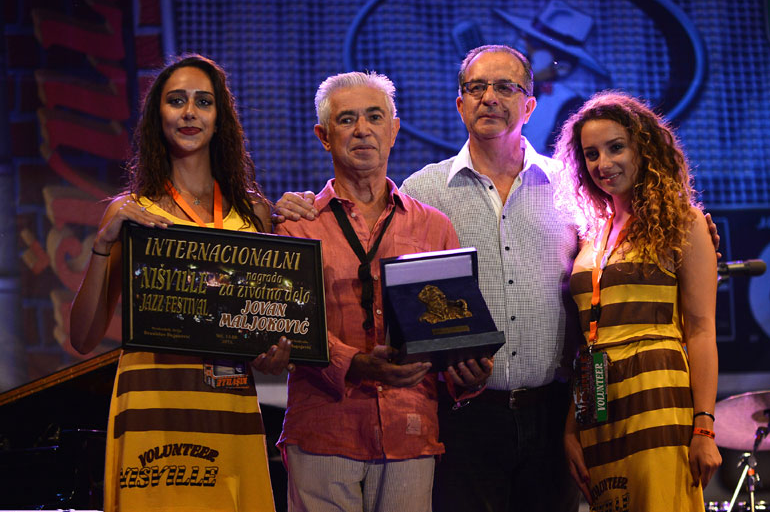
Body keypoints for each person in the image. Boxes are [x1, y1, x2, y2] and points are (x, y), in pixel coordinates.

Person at [275, 45, 581, 512]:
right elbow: (287, 324)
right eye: (476, 87)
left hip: (540, 411)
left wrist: (464, 372)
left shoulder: (568, 189)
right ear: (460, 103)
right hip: (423, 423)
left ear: (530, 104)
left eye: (505, 87)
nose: (489, 97)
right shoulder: (420, 193)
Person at [69, 54, 291, 512]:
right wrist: (102, 244)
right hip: (152, 401)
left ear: (219, 118)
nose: (190, 112)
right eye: (176, 101)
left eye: (203, 102)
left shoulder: (254, 212)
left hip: (228, 401)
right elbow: (83, 338)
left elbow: (264, 324)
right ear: (158, 117)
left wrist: (273, 352)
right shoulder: (130, 211)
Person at [274, 71, 492, 512]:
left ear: (394, 129)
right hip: (324, 427)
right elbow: (288, 326)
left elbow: (452, 330)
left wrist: (467, 374)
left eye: (375, 117)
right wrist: (353, 363)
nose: (362, 130)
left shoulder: (434, 226)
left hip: (409, 429)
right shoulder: (296, 227)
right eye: (346, 119)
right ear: (323, 136)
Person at [555, 91, 722, 510]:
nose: (603, 163)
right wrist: (573, 427)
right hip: (599, 407)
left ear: (644, 149)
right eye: (591, 154)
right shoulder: (592, 234)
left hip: (657, 395)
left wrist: (704, 427)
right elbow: (588, 343)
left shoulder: (685, 222)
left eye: (616, 147)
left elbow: (701, 331)